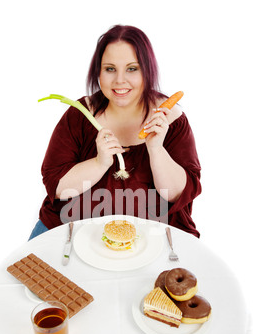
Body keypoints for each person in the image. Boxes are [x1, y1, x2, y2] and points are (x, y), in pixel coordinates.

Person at [29, 24, 201, 241]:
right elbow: (58, 188)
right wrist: (99, 163)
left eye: (132, 68)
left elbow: (178, 194)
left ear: (147, 71)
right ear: (98, 72)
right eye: (110, 69)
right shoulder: (79, 115)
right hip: (73, 231)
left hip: (154, 237)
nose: (120, 80)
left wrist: (157, 150)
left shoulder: (172, 119)